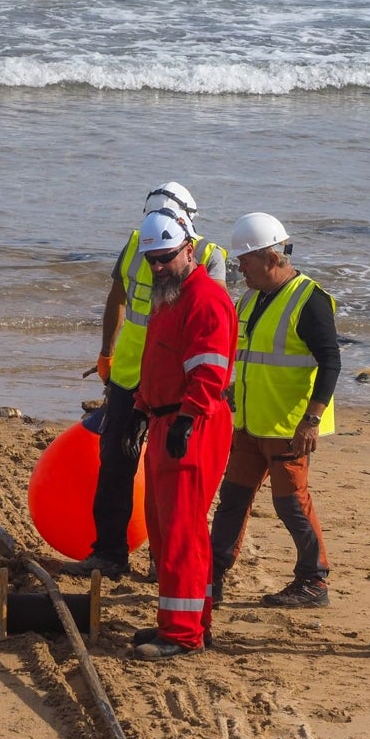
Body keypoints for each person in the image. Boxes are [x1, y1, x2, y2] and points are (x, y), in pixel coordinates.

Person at [63, 182, 227, 580]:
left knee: (169, 476)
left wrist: (199, 399)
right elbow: (116, 297)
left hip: (175, 390)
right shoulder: (138, 244)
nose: (156, 264)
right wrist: (106, 352)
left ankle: (162, 559)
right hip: (130, 380)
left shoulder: (209, 258)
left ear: (187, 230)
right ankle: (109, 554)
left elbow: (212, 330)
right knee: (116, 463)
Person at [208, 213, 341, 608]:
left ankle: (314, 580)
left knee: (291, 505)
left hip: (288, 426)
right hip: (250, 423)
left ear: (270, 258)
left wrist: (312, 420)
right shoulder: (250, 298)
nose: (238, 269)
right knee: (232, 499)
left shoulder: (310, 300)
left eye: (244, 262)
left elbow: (330, 362)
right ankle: (212, 576)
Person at [124, 209, 238, 659]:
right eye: (151, 260)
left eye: (165, 258)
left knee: (181, 530)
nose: (156, 267)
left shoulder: (204, 300)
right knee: (166, 526)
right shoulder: (172, 297)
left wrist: (187, 420)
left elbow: (209, 372)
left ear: (189, 249)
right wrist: (139, 410)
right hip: (167, 418)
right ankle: (184, 622)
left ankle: (183, 633)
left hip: (193, 423)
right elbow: (159, 365)